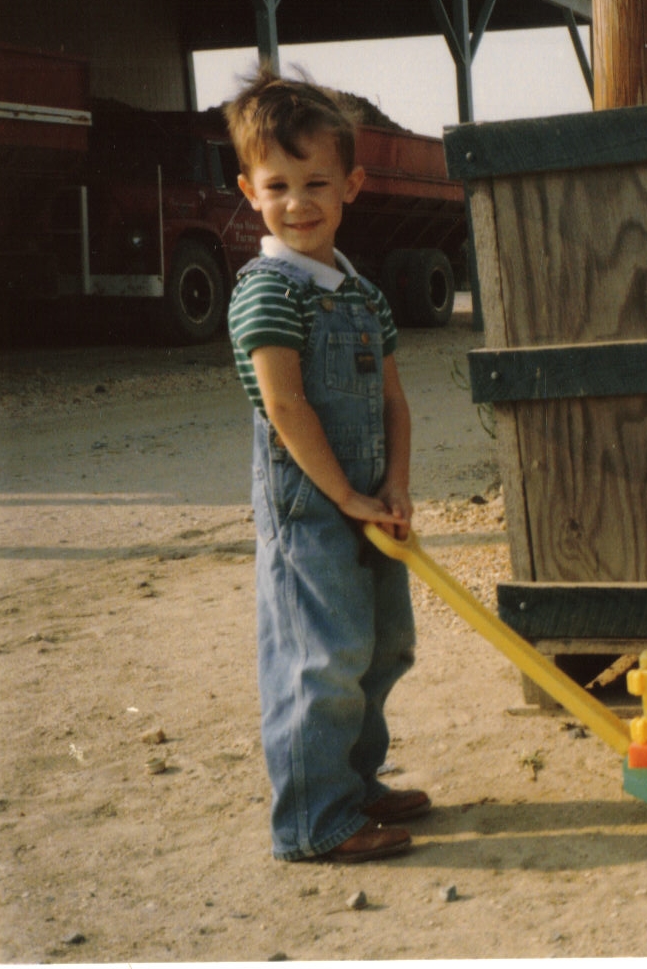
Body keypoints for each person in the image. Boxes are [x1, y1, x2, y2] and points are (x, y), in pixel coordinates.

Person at [225, 69, 427, 863]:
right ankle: (314, 819)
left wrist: (396, 484)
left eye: (317, 182)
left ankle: (354, 781)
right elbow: (287, 407)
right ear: (249, 189)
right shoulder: (267, 292)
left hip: (369, 501)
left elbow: (394, 402)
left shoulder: (365, 294)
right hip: (311, 507)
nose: (299, 202)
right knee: (322, 655)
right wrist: (342, 494)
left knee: (382, 646)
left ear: (353, 184)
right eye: (279, 184)